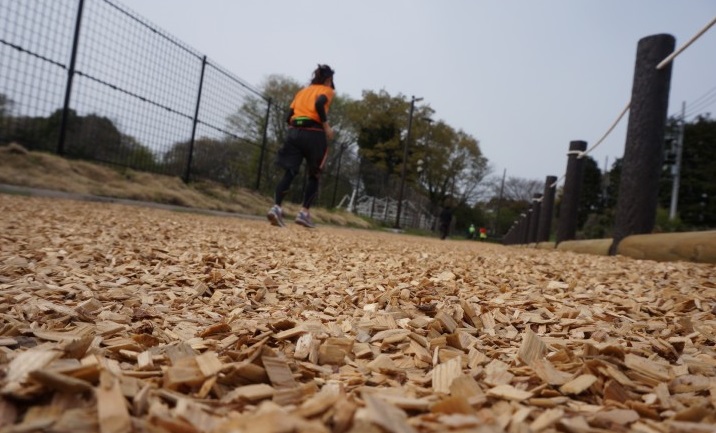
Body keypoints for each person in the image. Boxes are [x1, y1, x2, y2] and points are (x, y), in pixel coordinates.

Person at [267, 64, 336, 229]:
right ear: (328, 79)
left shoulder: (302, 91)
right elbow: (320, 104)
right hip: (314, 132)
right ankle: (304, 212)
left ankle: (276, 207)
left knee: (290, 171)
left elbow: (288, 116)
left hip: (294, 131)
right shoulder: (327, 90)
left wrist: (295, 130)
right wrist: (326, 126)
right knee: (314, 174)